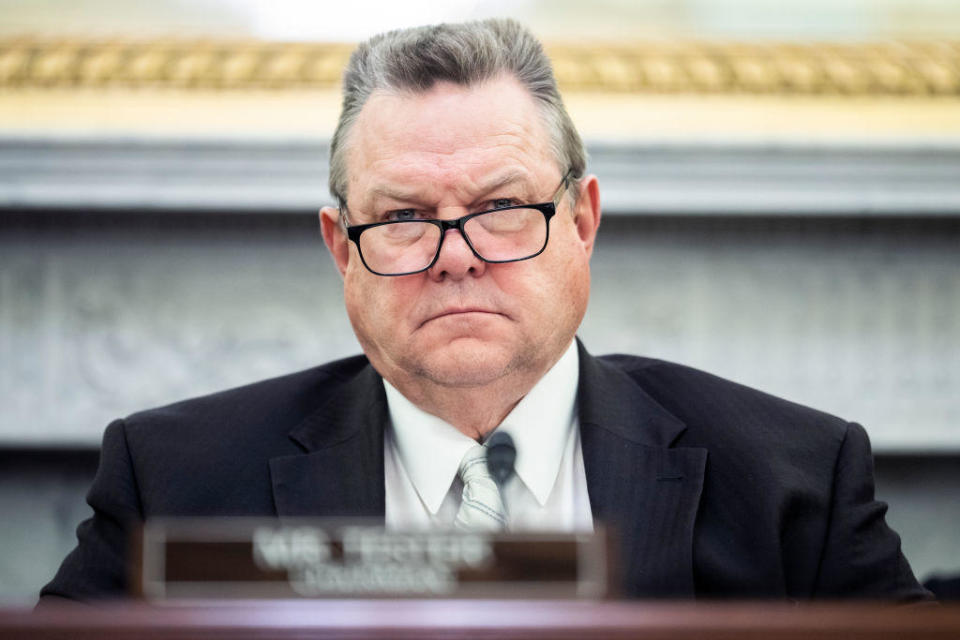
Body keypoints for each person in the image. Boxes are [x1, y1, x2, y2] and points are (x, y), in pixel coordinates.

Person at [41, 18, 930, 601]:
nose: (457, 257)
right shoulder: (173, 481)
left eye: (504, 209)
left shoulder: (795, 481)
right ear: (339, 246)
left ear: (582, 221)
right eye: (401, 218)